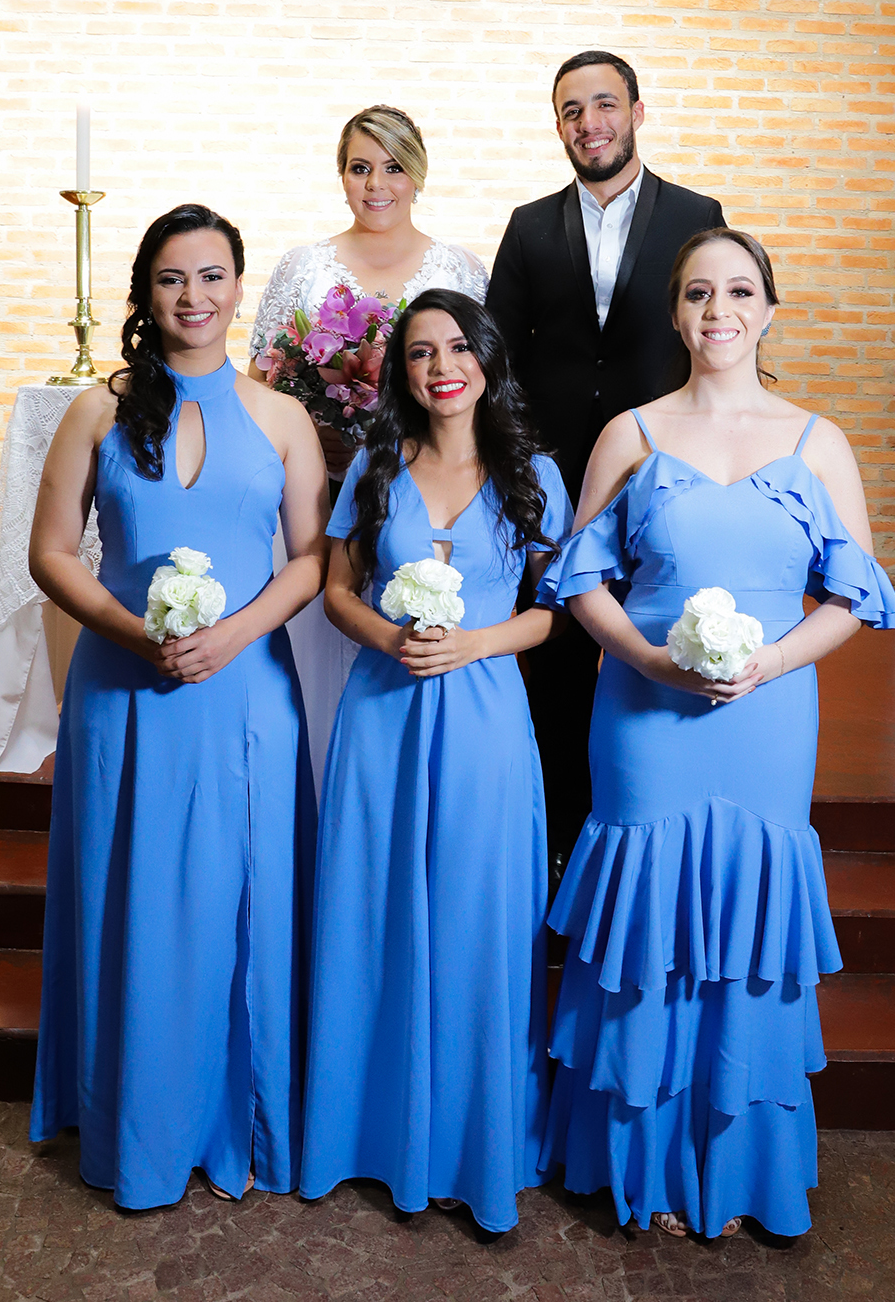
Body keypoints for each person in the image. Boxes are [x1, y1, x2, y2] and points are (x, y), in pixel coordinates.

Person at [537, 227, 895, 1240]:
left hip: (768, 716)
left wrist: (772, 663)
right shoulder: (630, 433)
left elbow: (854, 596)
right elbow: (580, 581)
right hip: (644, 712)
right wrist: (647, 658)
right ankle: (641, 1168)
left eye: (740, 291)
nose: (719, 311)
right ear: (675, 312)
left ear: (769, 308)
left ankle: (736, 1169)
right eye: (699, 293)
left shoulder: (818, 441)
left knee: (748, 922)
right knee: (647, 919)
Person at [28, 204, 328, 1209]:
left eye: (210, 275)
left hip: (247, 693)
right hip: (125, 691)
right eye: (171, 278)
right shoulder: (97, 410)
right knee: (134, 903)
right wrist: (129, 631)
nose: (192, 296)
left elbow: (311, 561)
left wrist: (235, 633)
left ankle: (238, 1115)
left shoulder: (282, 417)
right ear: (145, 293)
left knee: (238, 902)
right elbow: (50, 552)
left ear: (239, 287)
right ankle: (137, 1121)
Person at [300, 290, 572, 1235]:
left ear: (487, 358)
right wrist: (389, 636)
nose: (441, 367)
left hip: (487, 718)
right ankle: (369, 1134)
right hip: (384, 717)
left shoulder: (534, 473)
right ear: (401, 373)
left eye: (458, 347)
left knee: (477, 917)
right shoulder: (375, 465)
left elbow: (552, 609)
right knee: (374, 915)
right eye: (420, 353)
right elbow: (336, 591)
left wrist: (477, 642)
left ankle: (470, 1142)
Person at [486, 50, 726, 862]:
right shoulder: (528, 225)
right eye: (571, 110)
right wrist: (515, 465)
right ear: (558, 125)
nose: (589, 123)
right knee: (557, 659)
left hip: (661, 471)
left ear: (637, 112)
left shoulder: (696, 213)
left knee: (655, 643)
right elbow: (497, 356)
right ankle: (558, 842)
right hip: (554, 482)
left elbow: (711, 342)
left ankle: (651, 837)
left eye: (604, 104)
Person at [249, 105, 487, 784]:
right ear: (341, 175)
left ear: (418, 174)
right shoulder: (302, 268)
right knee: (311, 661)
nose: (376, 184)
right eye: (359, 168)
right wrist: (310, 440)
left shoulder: (461, 269)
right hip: (313, 493)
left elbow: (480, 381)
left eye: (393, 167)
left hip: (418, 501)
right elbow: (260, 387)